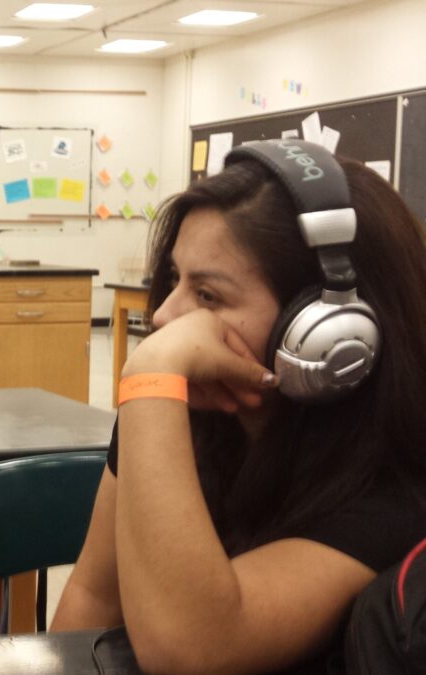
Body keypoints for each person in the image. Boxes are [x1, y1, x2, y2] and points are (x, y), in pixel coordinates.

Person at [51, 139, 426, 673]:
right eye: (176, 280)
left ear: (330, 332)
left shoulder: (396, 490)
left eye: (208, 296)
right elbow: (92, 595)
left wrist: (151, 378)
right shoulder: (181, 414)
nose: (163, 317)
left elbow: (192, 648)